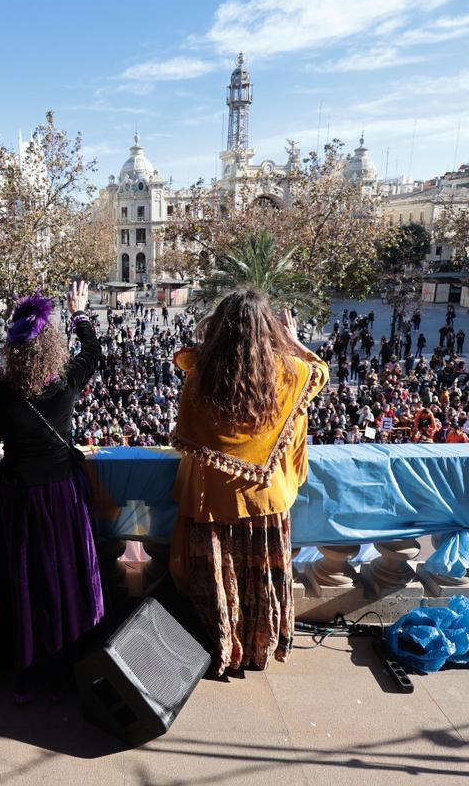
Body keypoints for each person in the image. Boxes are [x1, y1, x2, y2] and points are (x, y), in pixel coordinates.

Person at [169, 287, 328, 675]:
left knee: (219, 580)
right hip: (265, 501)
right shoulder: (291, 372)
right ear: (269, 330)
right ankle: (259, 650)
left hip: (211, 500)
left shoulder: (200, 375)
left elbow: (188, 427)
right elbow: (319, 372)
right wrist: (292, 342)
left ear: (219, 328)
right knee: (260, 580)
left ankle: (222, 650)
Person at [0, 282, 105, 703]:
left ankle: (27, 668)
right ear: (51, 345)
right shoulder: (66, 382)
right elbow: (93, 352)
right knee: (65, 576)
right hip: (62, 496)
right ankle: (70, 660)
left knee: (24, 582)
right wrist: (80, 313)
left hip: (17, 498)